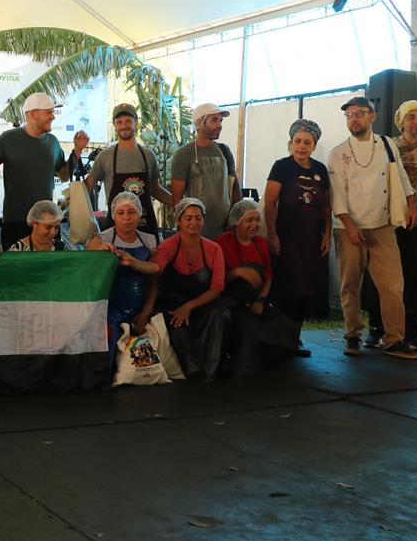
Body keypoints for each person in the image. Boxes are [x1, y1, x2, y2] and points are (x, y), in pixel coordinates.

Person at [327, 96, 417, 360]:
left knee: (392, 285)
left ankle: (394, 339)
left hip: (382, 225)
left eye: (359, 113)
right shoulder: (337, 153)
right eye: (349, 115)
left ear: (372, 116)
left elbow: (401, 177)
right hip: (348, 227)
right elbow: (337, 195)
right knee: (350, 285)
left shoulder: (387, 144)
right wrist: (349, 226)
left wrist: (411, 205)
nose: (353, 119)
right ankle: (353, 334)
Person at [363, 100, 417, 351]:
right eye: (410, 117)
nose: (416, 121)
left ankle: (411, 328)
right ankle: (376, 326)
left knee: (412, 273)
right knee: (379, 272)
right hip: (384, 218)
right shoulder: (387, 147)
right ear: (400, 121)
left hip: (414, 220)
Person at [128, 198, 227, 382]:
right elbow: (156, 268)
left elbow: (217, 289)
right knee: (177, 324)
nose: (194, 222)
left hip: (200, 303)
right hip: (172, 304)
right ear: (178, 221)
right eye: (188, 218)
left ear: (203, 220)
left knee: (220, 312)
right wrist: (132, 262)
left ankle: (211, 370)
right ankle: (193, 371)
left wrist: (189, 307)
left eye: (198, 218)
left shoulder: (214, 249)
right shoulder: (169, 245)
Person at [263, 119, 331, 355]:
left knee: (305, 291)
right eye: (297, 141)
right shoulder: (281, 167)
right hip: (287, 237)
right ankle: (280, 341)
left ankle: (294, 339)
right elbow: (269, 204)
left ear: (314, 145)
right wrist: (272, 235)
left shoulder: (320, 169)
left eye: (307, 142)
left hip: (312, 239)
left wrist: (327, 234)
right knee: (288, 289)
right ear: (291, 143)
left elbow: (326, 206)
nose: (301, 146)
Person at [215, 199, 300, 374]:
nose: (254, 225)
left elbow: (268, 278)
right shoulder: (221, 243)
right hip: (232, 302)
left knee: (287, 326)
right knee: (249, 328)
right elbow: (217, 281)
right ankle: (243, 366)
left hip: (256, 299)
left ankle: (269, 360)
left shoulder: (260, 243)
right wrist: (237, 272)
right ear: (236, 222)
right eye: (249, 220)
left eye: (257, 220)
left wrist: (260, 300)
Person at [0, 93, 88, 249]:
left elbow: (64, 175)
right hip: (15, 222)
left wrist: (77, 150)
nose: (53, 117)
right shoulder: (7, 139)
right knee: (14, 264)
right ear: (33, 114)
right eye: (49, 112)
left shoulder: (53, 142)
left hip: (48, 224)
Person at [86, 191, 158, 353]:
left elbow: (153, 282)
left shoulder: (149, 240)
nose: (126, 217)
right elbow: (90, 253)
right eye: (120, 213)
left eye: (131, 212)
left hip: (140, 309)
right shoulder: (103, 238)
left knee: (143, 356)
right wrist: (100, 251)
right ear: (113, 215)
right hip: (109, 310)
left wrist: (146, 311)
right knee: (108, 349)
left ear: (139, 214)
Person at [84, 103, 172, 233]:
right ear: (114, 125)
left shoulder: (148, 155)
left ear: (136, 122)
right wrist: (69, 205)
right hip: (115, 229)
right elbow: (86, 188)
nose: (124, 125)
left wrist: (180, 203)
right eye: (119, 122)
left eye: (128, 121)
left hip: (145, 226)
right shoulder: (105, 156)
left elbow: (155, 189)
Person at [170, 103, 242, 235]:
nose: (219, 125)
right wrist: (183, 228)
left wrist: (236, 218)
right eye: (214, 120)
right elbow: (177, 199)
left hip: (225, 228)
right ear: (199, 123)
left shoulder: (224, 151)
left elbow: (234, 188)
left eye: (220, 120)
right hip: (195, 228)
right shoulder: (183, 154)